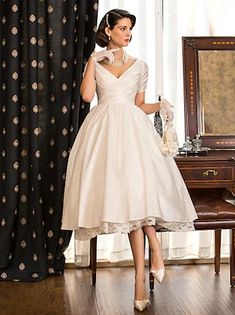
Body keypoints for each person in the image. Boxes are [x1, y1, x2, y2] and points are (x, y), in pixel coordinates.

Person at [61, 9, 197, 312]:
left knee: (138, 200)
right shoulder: (95, 63)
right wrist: (92, 62)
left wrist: (161, 106)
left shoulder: (140, 66)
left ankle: (143, 273)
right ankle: (146, 268)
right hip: (104, 135)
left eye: (130, 29)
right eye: (122, 28)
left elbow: (139, 105)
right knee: (128, 205)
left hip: (135, 135)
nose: (128, 33)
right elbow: (86, 97)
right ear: (108, 30)